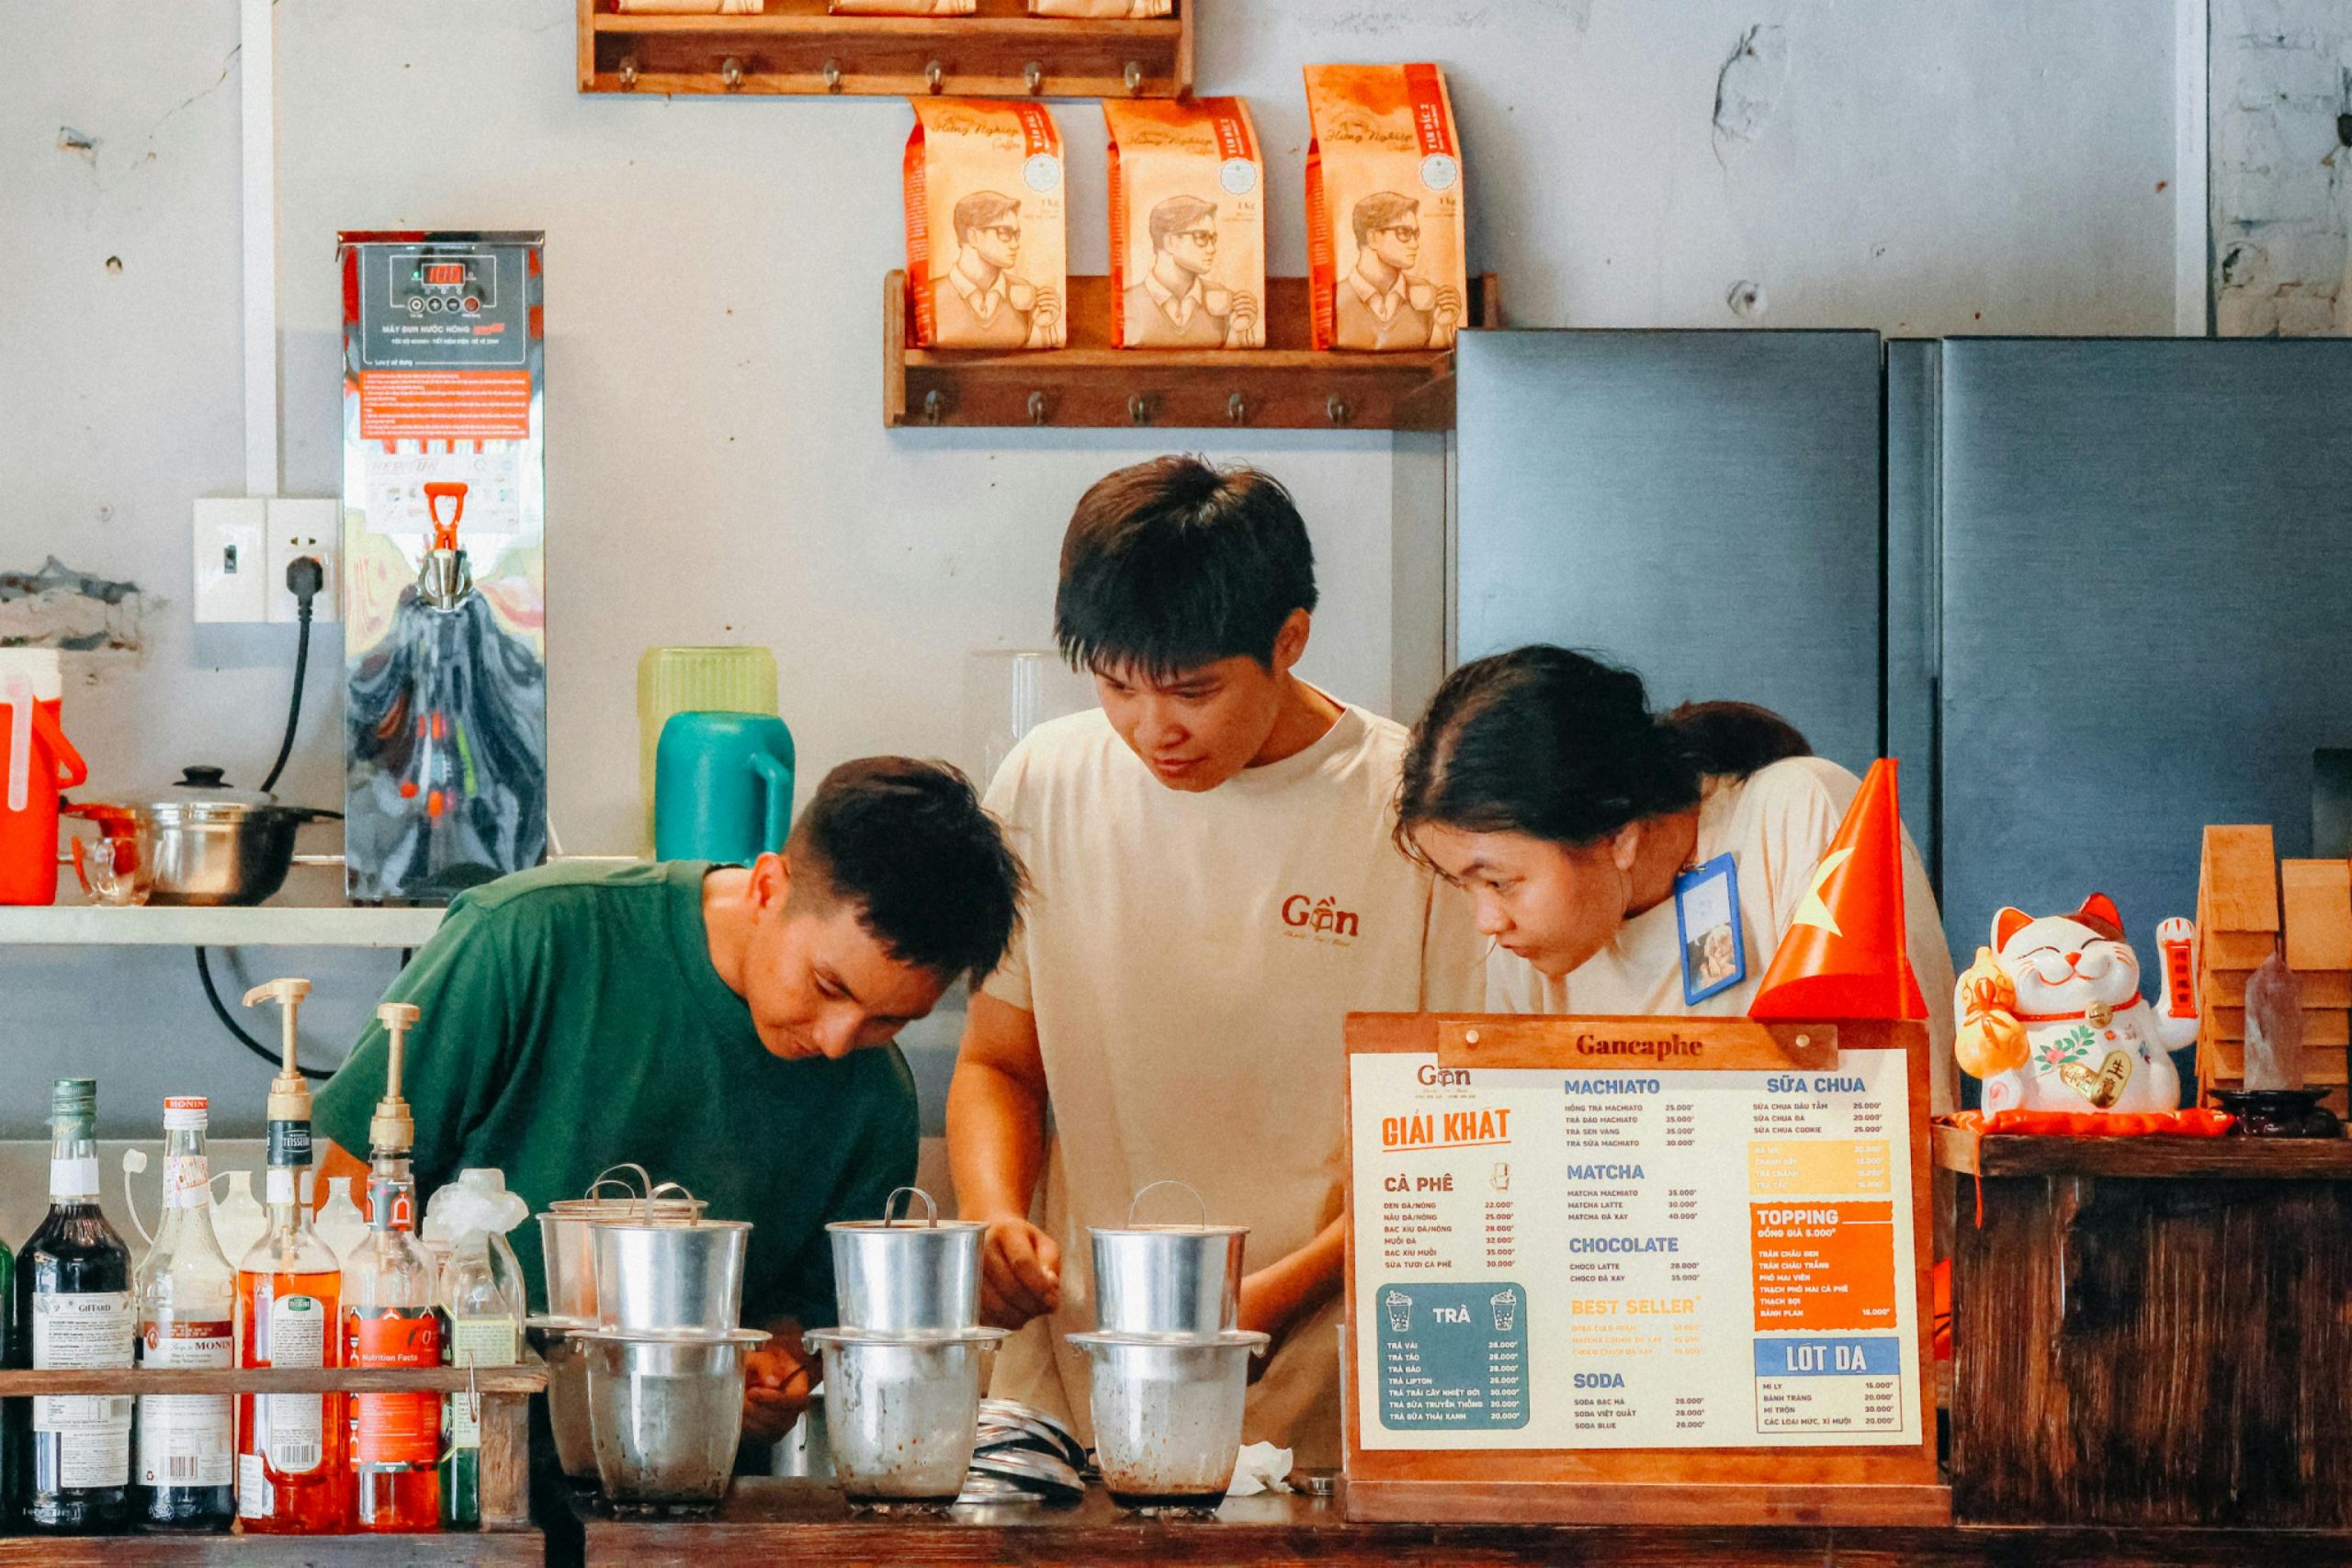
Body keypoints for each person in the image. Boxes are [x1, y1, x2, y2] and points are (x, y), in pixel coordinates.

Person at [947, 456, 1483, 1468]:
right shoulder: (1045, 781)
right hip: (1070, 1389)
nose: (1153, 729)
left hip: (1322, 1393)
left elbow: (1448, 1141)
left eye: (1193, 690)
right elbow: (997, 1062)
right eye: (1117, 686)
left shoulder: (1410, 812)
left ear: (1289, 640)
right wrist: (993, 1218)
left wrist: (1261, 1305)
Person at [314, 757, 1026, 1442]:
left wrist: (770, 1374)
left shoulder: (876, 1097)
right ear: (768, 887)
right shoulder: (528, 938)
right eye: (829, 986)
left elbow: (807, 1318)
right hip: (431, 1451)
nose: (839, 1040)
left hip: (683, 1484)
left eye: (889, 1019)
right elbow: (341, 1204)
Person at [1395, 649, 1958, 1111]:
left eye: (1499, 882)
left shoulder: (1803, 815)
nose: (1488, 922)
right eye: (1465, 885)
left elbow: (1900, 1123)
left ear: (1618, 834)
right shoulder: (1531, 947)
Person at [1122, 195, 1261, 348]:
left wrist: (1239, 332)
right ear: (1170, 242)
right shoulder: (1126, 304)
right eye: (1201, 237)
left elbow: (1236, 360)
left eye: (1213, 239)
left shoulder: (1223, 299)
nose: (1212, 249)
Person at [933, 191, 1062, 349]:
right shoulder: (932, 296)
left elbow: (1040, 361)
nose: (1015, 245)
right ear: (973, 237)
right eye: (1005, 233)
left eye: (1016, 235)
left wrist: (1042, 329)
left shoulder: (1027, 294)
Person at [1336, 191, 1463, 351]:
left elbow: (1439, 362)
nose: (1415, 244)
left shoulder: (1427, 294)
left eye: (1416, 234)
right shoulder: (1336, 298)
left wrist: (1442, 327)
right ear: (1373, 238)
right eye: (1404, 233)